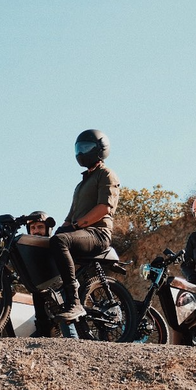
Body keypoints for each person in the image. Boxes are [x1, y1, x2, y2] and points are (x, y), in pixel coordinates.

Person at [49, 129, 120, 322]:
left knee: (61, 241)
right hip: (80, 233)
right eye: (78, 149)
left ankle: (75, 303)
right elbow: (69, 218)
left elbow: (104, 207)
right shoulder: (80, 186)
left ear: (100, 149)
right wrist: (50, 237)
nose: (81, 153)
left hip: (98, 233)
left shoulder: (106, 174)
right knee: (52, 244)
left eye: (86, 148)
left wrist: (77, 225)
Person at [24, 211, 57, 336]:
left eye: (40, 227)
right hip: (42, 298)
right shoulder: (28, 252)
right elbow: (9, 265)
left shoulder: (57, 244)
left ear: (48, 228)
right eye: (32, 228)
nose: (36, 231)